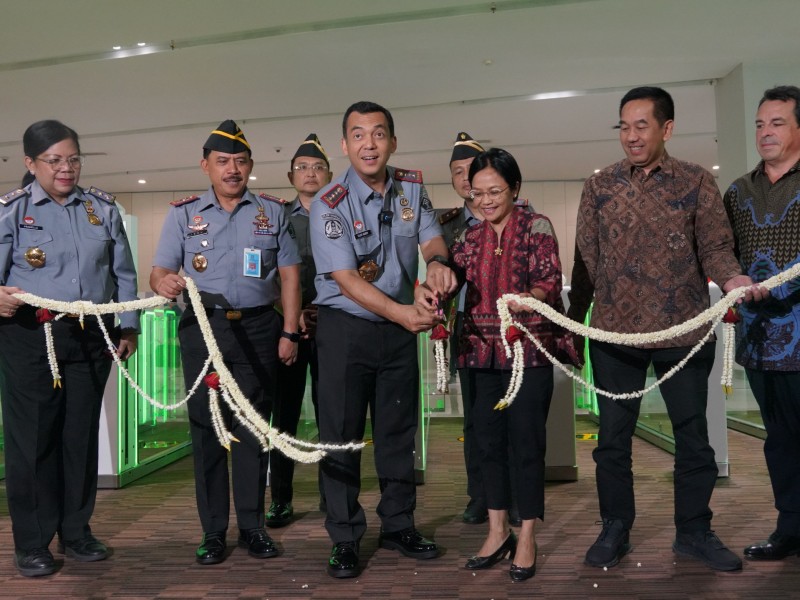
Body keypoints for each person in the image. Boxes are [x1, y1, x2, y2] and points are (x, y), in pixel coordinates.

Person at [575, 86, 761, 572]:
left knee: (693, 437)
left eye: (642, 125)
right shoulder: (599, 187)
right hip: (617, 338)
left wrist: (733, 276)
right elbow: (587, 261)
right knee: (613, 439)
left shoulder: (697, 182)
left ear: (666, 129)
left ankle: (694, 531)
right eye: (624, 126)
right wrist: (579, 324)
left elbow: (716, 248)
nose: (631, 136)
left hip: (684, 333)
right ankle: (615, 526)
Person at [310, 100, 457, 578]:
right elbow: (346, 279)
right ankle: (345, 536)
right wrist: (402, 313)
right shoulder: (328, 202)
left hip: (397, 329)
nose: (368, 144)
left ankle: (398, 525)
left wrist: (437, 263)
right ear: (344, 144)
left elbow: (432, 237)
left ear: (393, 141)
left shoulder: (411, 187)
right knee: (342, 435)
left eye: (378, 134)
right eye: (358, 135)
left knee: (397, 433)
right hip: (345, 329)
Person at [150, 120, 301, 566]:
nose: (232, 169)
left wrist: (289, 330)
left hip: (258, 329)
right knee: (208, 431)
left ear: (250, 166)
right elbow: (158, 271)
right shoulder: (183, 214)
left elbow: (291, 276)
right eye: (222, 162)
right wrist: (165, 282)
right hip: (202, 329)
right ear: (206, 166)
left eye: (239, 161)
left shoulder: (272, 212)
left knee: (254, 429)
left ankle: (252, 527)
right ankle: (214, 531)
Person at [0, 120, 139, 577]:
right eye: (54, 160)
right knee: (34, 441)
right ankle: (33, 542)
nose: (66, 168)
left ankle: (76, 531)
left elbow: (124, 273)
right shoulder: (11, 212)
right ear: (30, 163)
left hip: (92, 335)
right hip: (30, 337)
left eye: (73, 159)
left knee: (79, 438)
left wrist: (129, 327)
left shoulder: (102, 208)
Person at [450, 147, 574, 582]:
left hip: (528, 353)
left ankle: (526, 536)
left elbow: (548, 281)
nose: (485, 200)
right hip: (479, 352)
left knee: (526, 445)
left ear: (515, 189)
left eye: (494, 191)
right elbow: (453, 281)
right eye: (477, 193)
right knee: (487, 446)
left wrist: (528, 300)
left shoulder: (536, 226)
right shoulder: (467, 238)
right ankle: (496, 529)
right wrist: (434, 289)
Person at [722, 85, 800, 561]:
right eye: (759, 123)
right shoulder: (738, 190)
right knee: (780, 441)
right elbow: (720, 249)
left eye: (776, 123)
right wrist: (730, 276)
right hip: (759, 340)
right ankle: (790, 528)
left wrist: (779, 288)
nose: (765, 132)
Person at [266, 134, 331, 528]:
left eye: (318, 167)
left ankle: (332, 495)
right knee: (283, 417)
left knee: (333, 415)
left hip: (332, 326)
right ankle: (281, 499)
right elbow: (265, 273)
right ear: (291, 175)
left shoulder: (341, 214)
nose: (310, 173)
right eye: (303, 168)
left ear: (329, 174)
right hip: (287, 330)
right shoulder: (274, 217)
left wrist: (321, 309)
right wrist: (290, 314)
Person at [437, 132, 488, 525]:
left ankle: (517, 496)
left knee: (514, 420)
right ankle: (480, 495)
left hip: (511, 335)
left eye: (472, 169)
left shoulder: (521, 215)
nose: (466, 178)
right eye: (458, 172)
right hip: (468, 334)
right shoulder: (447, 225)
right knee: (474, 421)